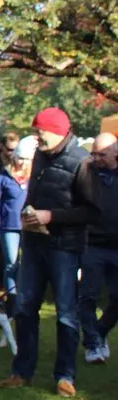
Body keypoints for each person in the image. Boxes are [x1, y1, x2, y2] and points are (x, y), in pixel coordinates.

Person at [0, 108, 100, 398]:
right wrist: (28, 212)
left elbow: (92, 211)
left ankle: (65, 376)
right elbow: (33, 194)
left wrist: (51, 217)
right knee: (24, 307)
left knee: (66, 313)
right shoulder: (42, 155)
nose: (36, 137)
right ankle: (21, 371)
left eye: (39, 131)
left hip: (65, 248)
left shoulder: (82, 162)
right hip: (34, 244)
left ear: (56, 131)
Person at [79, 132, 118, 365]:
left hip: (116, 245)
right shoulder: (88, 173)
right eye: (93, 153)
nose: (96, 158)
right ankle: (92, 344)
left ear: (115, 153)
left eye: (102, 154)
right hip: (92, 243)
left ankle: (100, 331)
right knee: (88, 296)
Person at [0, 137, 33, 303]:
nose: (22, 163)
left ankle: (27, 295)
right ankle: (12, 298)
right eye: (20, 158)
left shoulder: (33, 177)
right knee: (11, 263)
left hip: (29, 226)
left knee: (28, 263)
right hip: (9, 226)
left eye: (26, 159)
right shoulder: (3, 176)